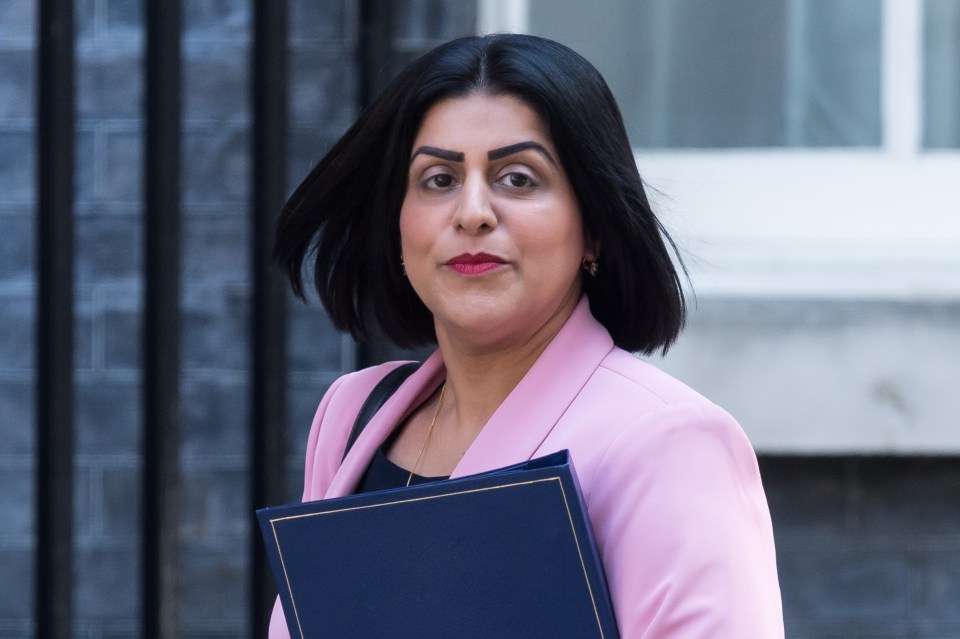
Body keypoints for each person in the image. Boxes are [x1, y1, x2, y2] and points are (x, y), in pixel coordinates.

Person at [269, 33, 783, 637]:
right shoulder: (352, 415)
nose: (473, 212)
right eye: (438, 179)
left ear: (593, 231)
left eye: (518, 178)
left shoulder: (666, 443)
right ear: (398, 226)